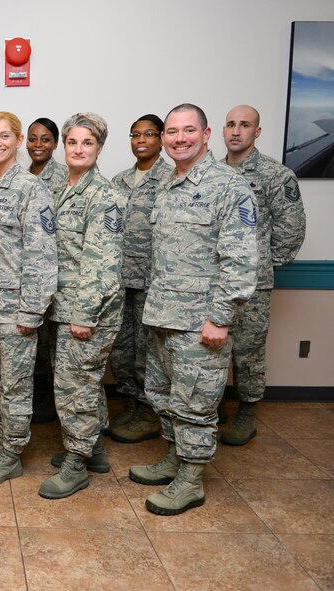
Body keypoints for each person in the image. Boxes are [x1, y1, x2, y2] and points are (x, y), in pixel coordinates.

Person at [129, 103, 257, 516]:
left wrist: (220, 318)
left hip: (200, 323)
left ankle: (191, 480)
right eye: (172, 131)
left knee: (195, 404)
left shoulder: (228, 186)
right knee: (163, 395)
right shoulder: (167, 184)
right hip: (163, 315)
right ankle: (174, 459)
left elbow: (240, 260)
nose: (178, 138)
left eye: (188, 130)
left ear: (205, 135)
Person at [0, 112, 57, 486]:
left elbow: (42, 255)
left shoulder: (31, 189)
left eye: (4, 136)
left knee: (16, 384)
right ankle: (3, 442)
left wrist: (31, 311)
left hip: (15, 310)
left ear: (18, 141)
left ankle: (13, 453)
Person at [39, 113, 125, 499]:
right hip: (65, 307)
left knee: (75, 387)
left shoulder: (104, 197)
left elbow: (101, 265)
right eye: (72, 142)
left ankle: (76, 464)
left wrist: (84, 316)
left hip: (87, 311)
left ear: (99, 149)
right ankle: (95, 451)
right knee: (82, 383)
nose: (78, 149)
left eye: (87, 143)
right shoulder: (63, 187)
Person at [220, 105, 306, 445]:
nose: (236, 131)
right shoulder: (212, 172)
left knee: (248, 349)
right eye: (230, 124)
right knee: (212, 346)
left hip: (253, 284)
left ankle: (247, 411)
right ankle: (214, 405)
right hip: (214, 280)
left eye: (244, 125)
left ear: (257, 132)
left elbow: (291, 228)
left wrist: (263, 263)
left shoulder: (276, 175)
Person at [106, 115, 172, 444]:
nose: (141, 140)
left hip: (152, 281)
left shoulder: (172, 178)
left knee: (148, 349)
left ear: (161, 138)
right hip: (120, 279)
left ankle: (148, 412)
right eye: (135, 134)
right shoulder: (118, 181)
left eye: (148, 134)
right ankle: (130, 404)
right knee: (121, 348)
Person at [26, 117, 68, 424]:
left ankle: (56, 403)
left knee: (55, 343)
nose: (38, 145)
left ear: (55, 144)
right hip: (30, 272)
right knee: (35, 341)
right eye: (32, 138)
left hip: (58, 269)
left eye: (45, 139)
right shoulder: (21, 176)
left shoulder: (65, 176)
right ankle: (39, 399)